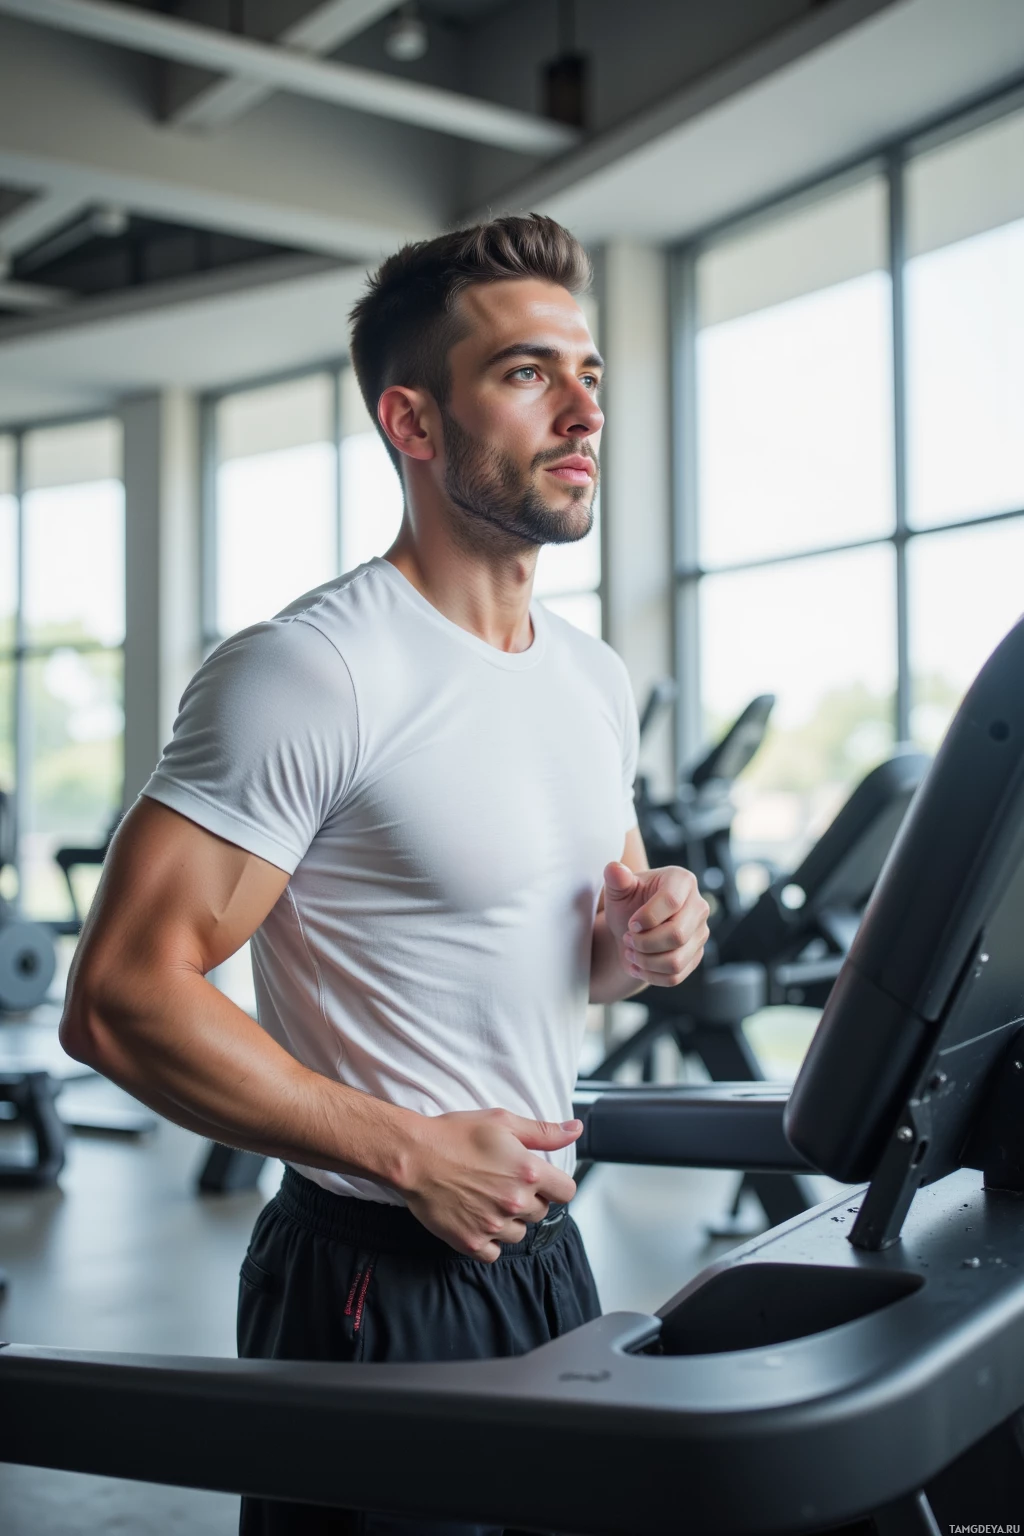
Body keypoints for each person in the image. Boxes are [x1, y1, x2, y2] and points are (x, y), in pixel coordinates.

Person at [60, 214, 710, 1535]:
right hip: (374, 1273)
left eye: (587, 373)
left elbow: (587, 946)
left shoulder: (589, 677)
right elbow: (121, 996)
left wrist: (653, 933)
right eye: (527, 374)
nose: (584, 407)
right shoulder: (312, 671)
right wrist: (409, 1151)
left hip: (542, 1254)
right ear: (413, 424)